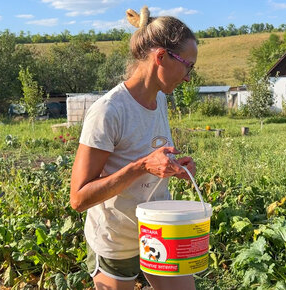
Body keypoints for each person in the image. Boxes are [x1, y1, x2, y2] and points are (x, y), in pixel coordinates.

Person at [70, 6, 198, 290]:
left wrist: (174, 168)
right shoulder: (109, 111)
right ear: (161, 57)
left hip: (157, 231)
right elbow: (78, 199)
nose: (189, 76)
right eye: (188, 65)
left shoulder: (160, 100)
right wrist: (142, 166)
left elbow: (150, 157)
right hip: (115, 240)